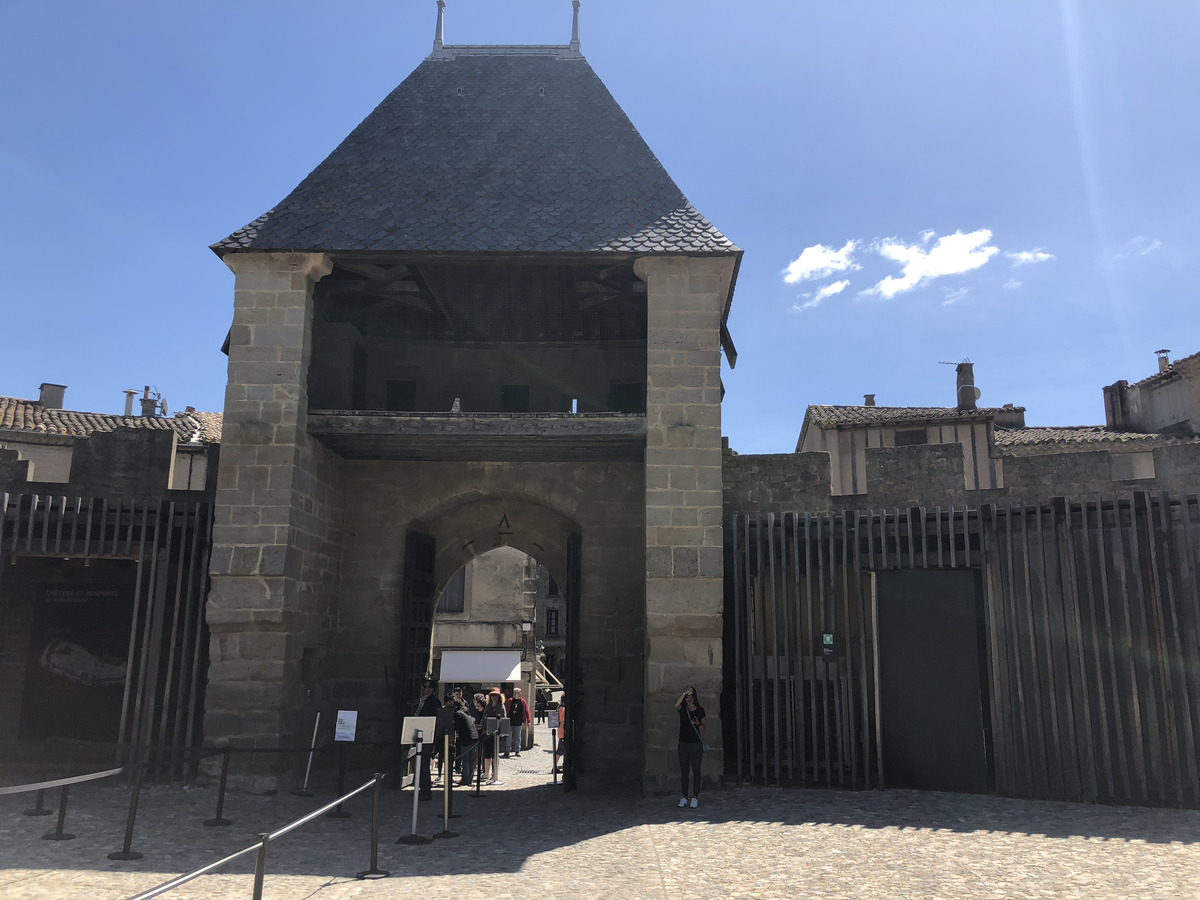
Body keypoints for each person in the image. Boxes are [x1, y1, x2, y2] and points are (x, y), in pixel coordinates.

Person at [675, 685, 706, 809]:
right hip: (683, 744)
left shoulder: (700, 711)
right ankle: (684, 797)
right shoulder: (683, 710)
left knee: (696, 770)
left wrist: (697, 723)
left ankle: (695, 797)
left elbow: (704, 729)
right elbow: (676, 705)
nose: (689, 698)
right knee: (684, 771)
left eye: (691, 696)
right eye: (687, 696)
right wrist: (683, 693)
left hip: (695, 745)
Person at [415, 678, 440, 798]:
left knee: (424, 763)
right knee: (420, 763)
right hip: (418, 735)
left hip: (427, 736)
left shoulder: (434, 702)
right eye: (423, 686)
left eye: (425, 686)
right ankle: (420, 789)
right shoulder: (420, 700)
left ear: (431, 689)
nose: (423, 688)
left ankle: (426, 791)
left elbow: (434, 720)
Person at [506, 687, 531, 756]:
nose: (514, 694)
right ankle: (507, 751)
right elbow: (506, 709)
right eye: (514, 693)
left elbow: (527, 711)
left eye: (516, 693)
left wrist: (528, 720)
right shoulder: (510, 701)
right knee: (508, 737)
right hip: (510, 722)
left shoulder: (523, 702)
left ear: (520, 694)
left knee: (518, 737)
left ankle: (517, 751)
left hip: (518, 722)